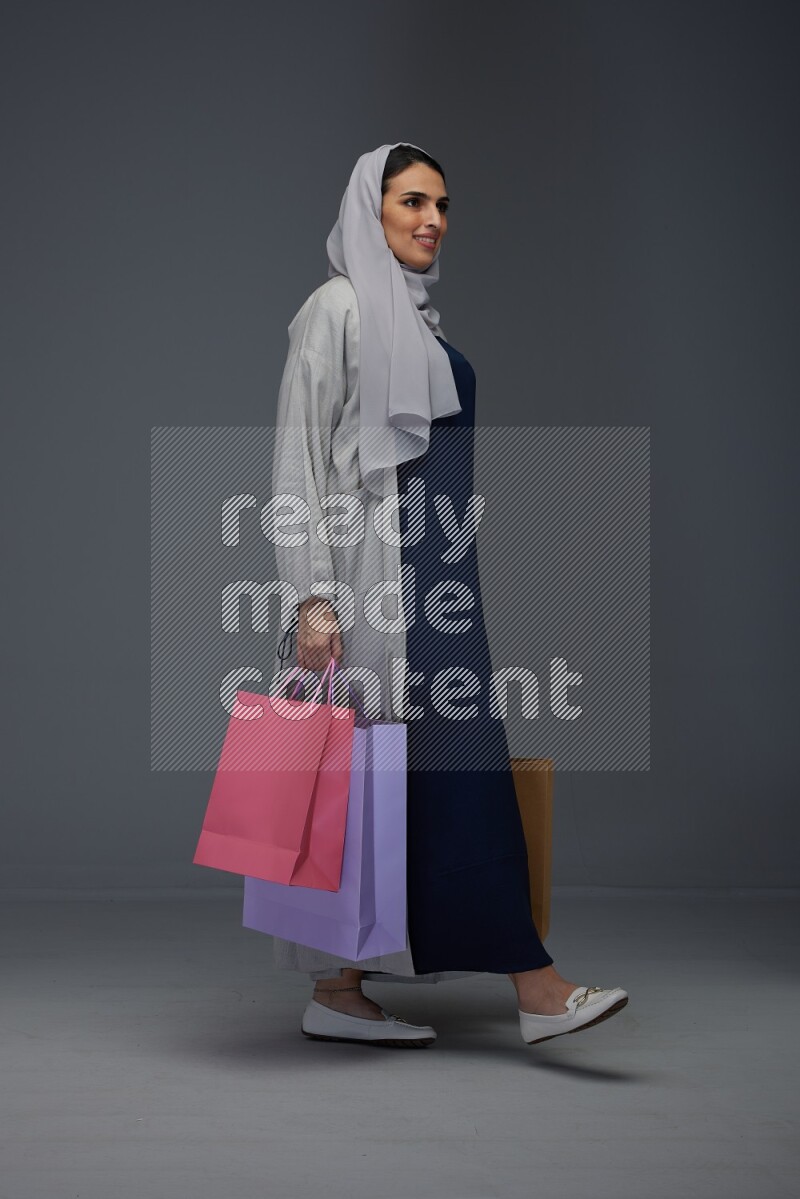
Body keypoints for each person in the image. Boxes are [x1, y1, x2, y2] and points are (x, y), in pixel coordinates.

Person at [268, 143, 629, 1048]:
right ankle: (537, 986)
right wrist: (309, 598)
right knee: (426, 772)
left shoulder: (415, 321)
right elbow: (296, 461)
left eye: (442, 204)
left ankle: (341, 987)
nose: (432, 219)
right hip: (377, 589)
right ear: (370, 209)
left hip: (441, 581)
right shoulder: (338, 309)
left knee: (402, 784)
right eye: (411, 201)